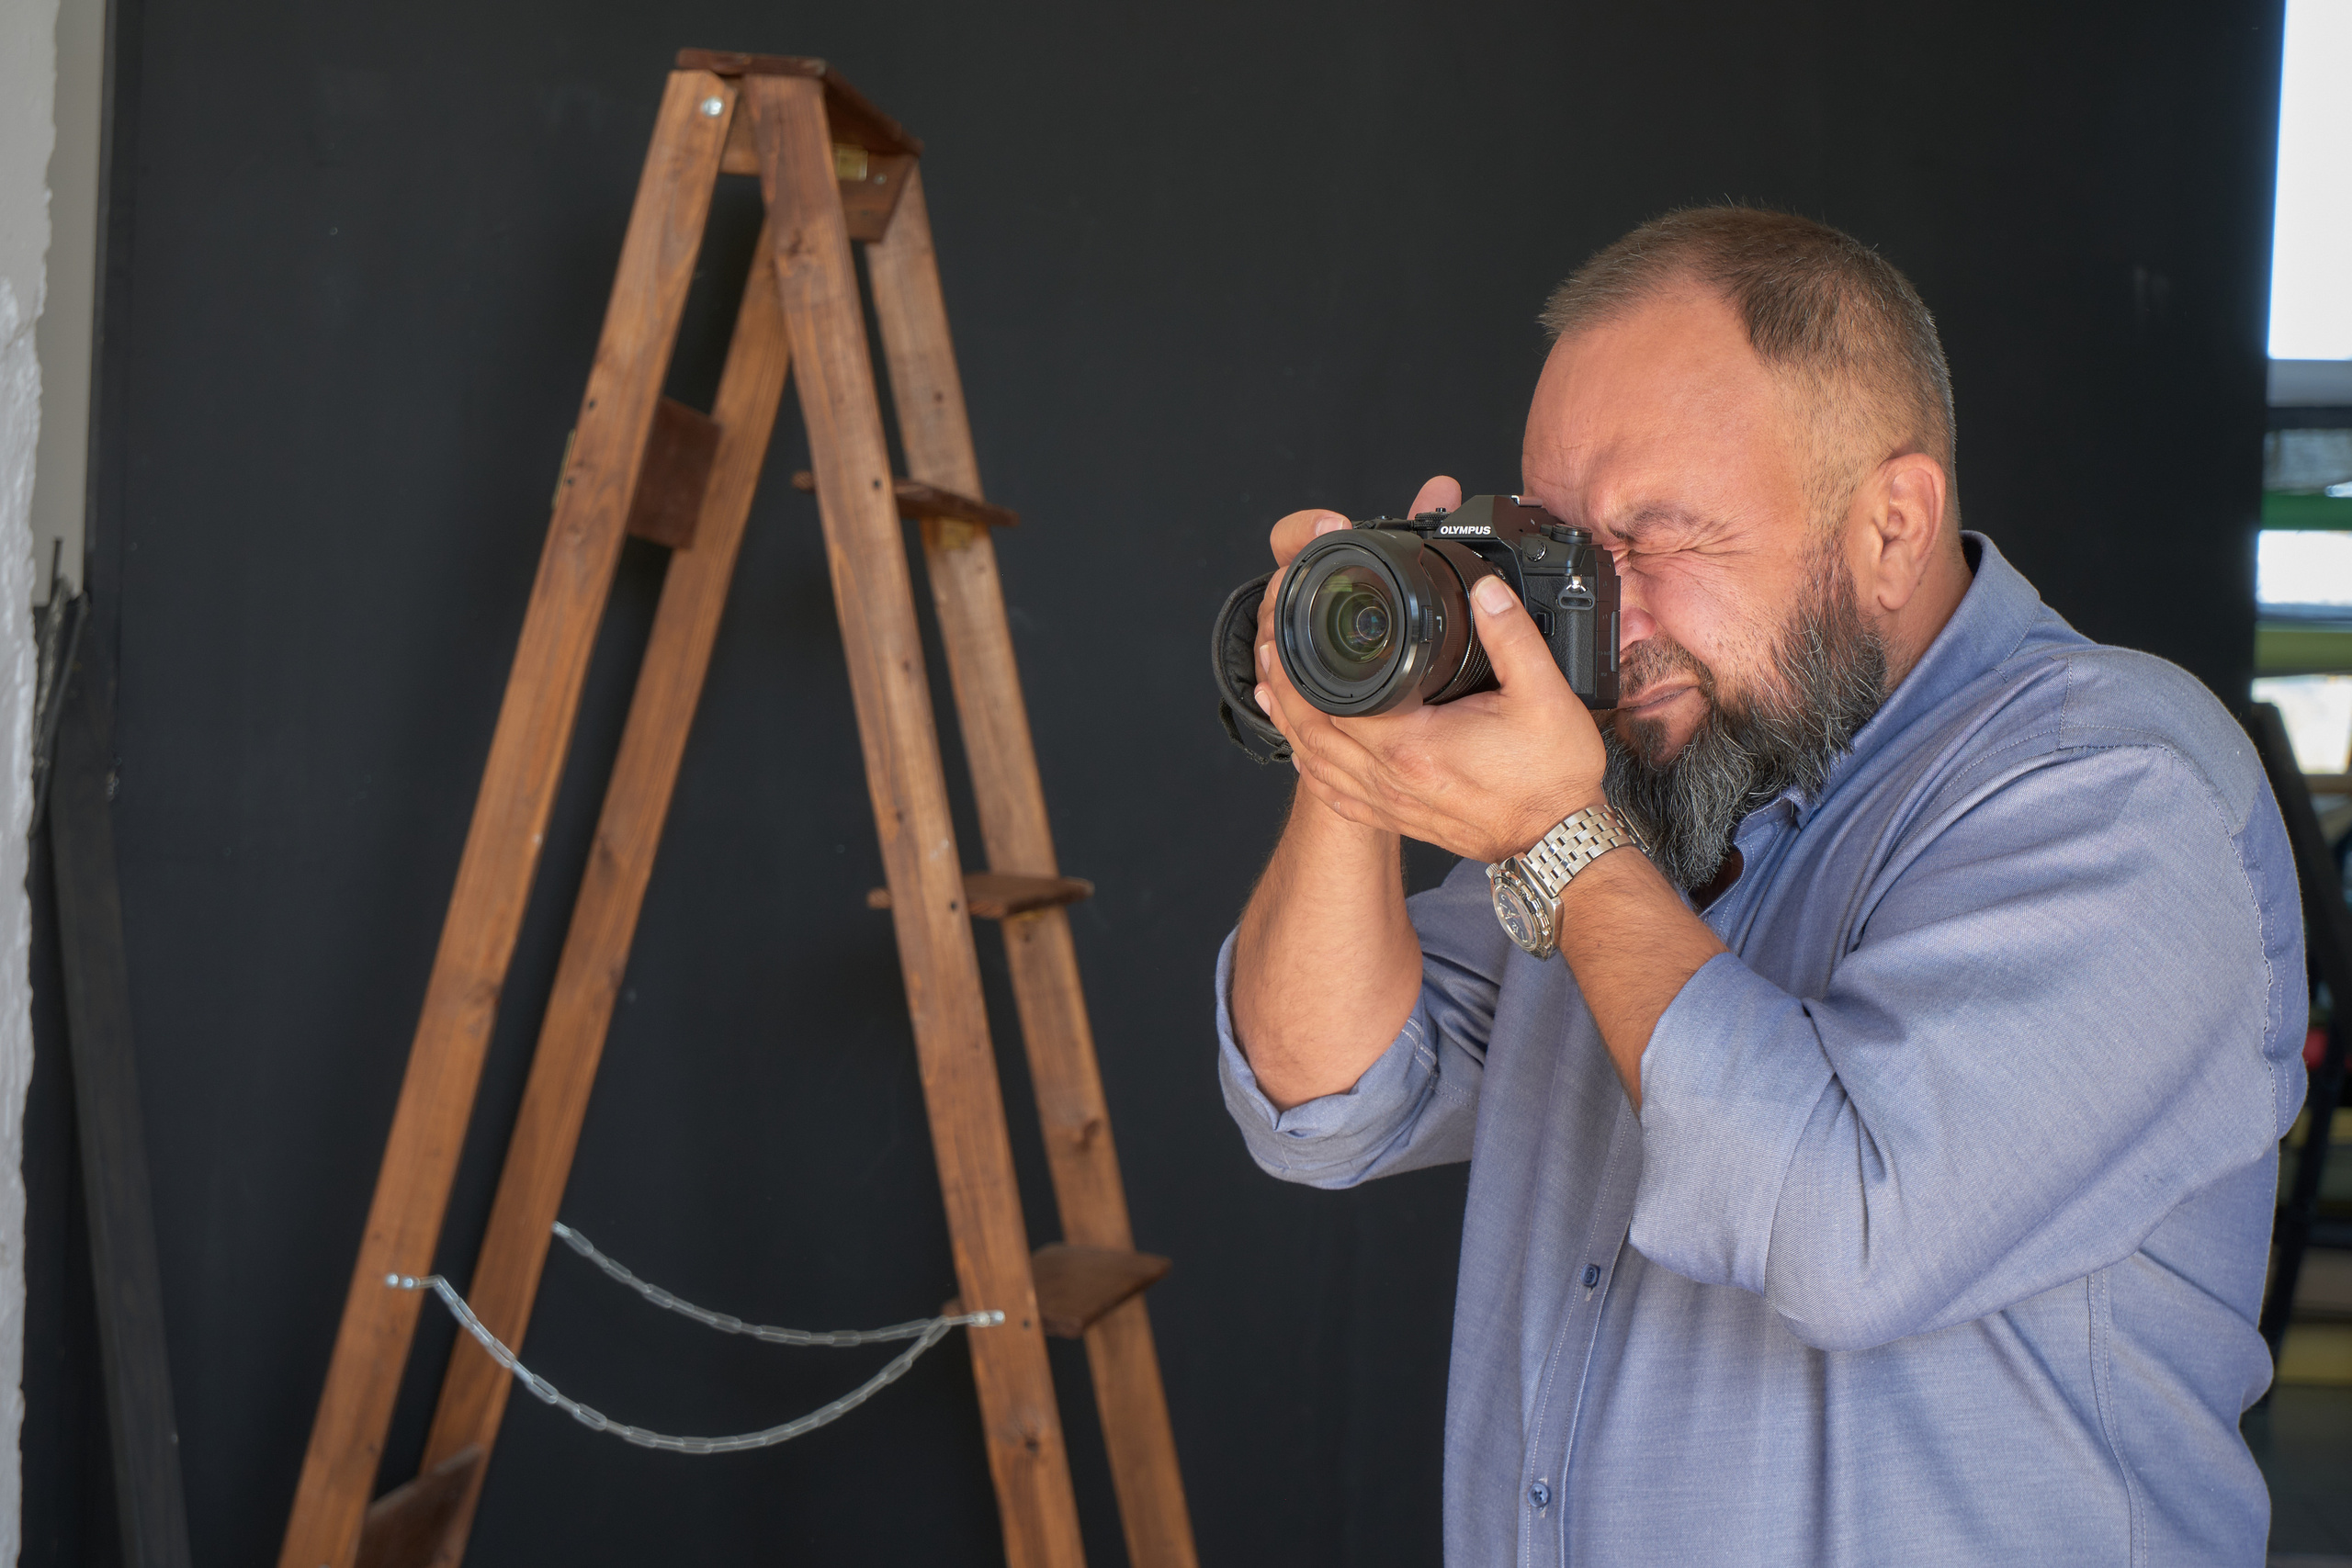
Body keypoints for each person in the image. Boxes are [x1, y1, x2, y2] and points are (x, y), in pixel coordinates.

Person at [1218, 206, 2304, 1566]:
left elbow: (1848, 1227)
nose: (1607, 618)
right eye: (1560, 547)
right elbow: (1326, 1097)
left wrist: (1560, 842)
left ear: (1893, 525)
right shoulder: (1634, 790)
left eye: (1657, 540)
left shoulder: (2124, 784)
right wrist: (1359, 743)